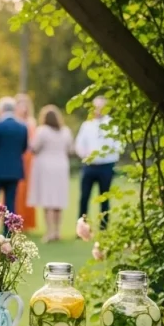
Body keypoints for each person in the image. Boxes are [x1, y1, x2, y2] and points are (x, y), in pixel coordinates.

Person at [28, 105, 75, 242]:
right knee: (58, 201)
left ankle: (49, 232)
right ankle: (57, 231)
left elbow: (34, 148)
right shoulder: (66, 131)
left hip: (46, 167)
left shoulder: (42, 131)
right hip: (61, 166)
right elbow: (71, 149)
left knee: (48, 200)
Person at [75, 96, 121, 229]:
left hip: (106, 166)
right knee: (84, 197)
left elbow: (117, 145)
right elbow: (79, 144)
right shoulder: (87, 125)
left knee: (104, 197)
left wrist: (109, 158)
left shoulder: (112, 125)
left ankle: (104, 226)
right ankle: (82, 226)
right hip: (89, 166)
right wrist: (85, 155)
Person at [0, 96, 28, 214]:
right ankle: (8, 231)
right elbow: (24, 148)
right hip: (14, 170)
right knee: (10, 203)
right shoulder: (22, 127)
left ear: (1, 109)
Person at [13, 93, 38, 232]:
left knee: (27, 190)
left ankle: (26, 222)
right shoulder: (15, 122)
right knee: (17, 190)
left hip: (29, 159)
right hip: (17, 157)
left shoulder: (31, 122)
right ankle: (13, 220)